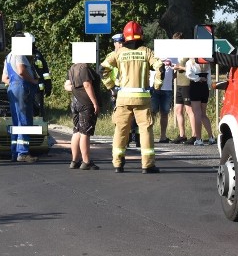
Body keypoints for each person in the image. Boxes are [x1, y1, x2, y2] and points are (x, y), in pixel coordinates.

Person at [101, 21, 163, 173]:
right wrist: (157, 85)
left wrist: (111, 87)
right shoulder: (146, 52)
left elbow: (103, 70)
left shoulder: (118, 53)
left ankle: (118, 164)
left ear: (125, 37)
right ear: (141, 35)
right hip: (142, 98)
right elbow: (160, 66)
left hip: (123, 98)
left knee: (121, 130)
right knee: (145, 130)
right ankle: (147, 165)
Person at [1, 33, 39, 162]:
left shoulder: (8, 57)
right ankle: (23, 153)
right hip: (22, 88)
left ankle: (14, 152)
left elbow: (4, 78)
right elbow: (22, 71)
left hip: (12, 88)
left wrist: (14, 83)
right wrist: (33, 81)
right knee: (24, 121)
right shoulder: (20, 54)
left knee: (16, 121)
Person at [67, 60, 101, 170]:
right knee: (85, 132)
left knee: (77, 130)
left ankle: (74, 160)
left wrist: (75, 90)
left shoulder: (73, 68)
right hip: (86, 103)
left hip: (75, 101)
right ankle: (86, 161)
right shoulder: (84, 68)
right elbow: (87, 84)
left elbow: (67, 85)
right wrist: (95, 102)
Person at [153, 32, 181, 143]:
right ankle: (148, 134)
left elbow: (176, 71)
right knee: (152, 112)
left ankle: (163, 136)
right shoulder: (157, 54)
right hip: (156, 88)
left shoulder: (175, 56)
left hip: (167, 88)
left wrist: (171, 78)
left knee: (164, 113)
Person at [186, 57, 216, 145]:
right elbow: (209, 77)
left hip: (195, 86)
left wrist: (198, 78)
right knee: (203, 114)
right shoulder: (207, 62)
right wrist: (208, 87)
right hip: (205, 88)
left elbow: (189, 74)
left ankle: (198, 138)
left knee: (197, 114)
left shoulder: (190, 62)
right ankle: (211, 137)